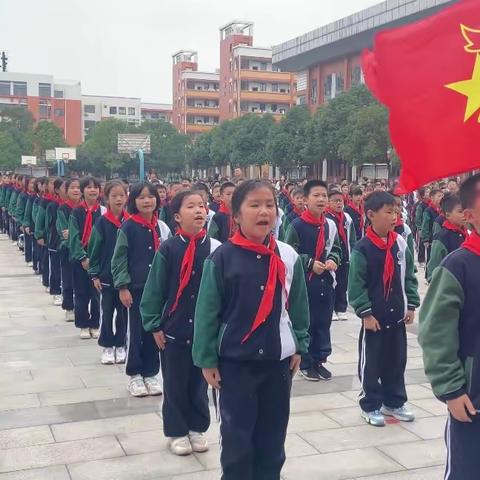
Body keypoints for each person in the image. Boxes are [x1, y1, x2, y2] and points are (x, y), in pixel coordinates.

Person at [192, 179, 309, 480]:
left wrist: (300, 344)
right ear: (237, 214)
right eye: (254, 205)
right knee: (237, 439)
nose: (264, 212)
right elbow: (207, 311)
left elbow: (297, 307)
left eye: (269, 204)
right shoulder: (222, 258)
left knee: (273, 438)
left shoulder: (288, 256)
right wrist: (206, 359)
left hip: (277, 362)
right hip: (235, 363)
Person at [141, 190, 221, 456]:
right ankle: (176, 431)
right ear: (177, 216)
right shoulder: (168, 249)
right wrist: (154, 325)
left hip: (203, 332)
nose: (199, 210)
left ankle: (196, 427)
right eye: (191, 206)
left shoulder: (216, 249)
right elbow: (155, 290)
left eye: (202, 205)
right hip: (174, 330)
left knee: (199, 384)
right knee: (175, 384)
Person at [419, 174, 480, 480]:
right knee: (468, 467)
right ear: (469, 216)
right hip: (473, 393)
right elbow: (435, 332)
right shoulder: (458, 265)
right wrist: (452, 389)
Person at [348, 191, 420, 427]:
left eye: (396, 212)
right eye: (388, 212)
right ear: (371, 214)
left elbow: (408, 275)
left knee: (396, 361)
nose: (394, 217)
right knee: (372, 364)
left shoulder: (399, 243)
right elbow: (356, 284)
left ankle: (394, 401)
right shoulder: (363, 248)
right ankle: (370, 404)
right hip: (374, 319)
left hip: (396, 316)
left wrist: (410, 304)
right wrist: (365, 313)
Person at [111, 181, 170, 397]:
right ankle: (134, 374)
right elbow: (119, 260)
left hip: (156, 291)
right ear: (133, 201)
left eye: (151, 196)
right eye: (142, 197)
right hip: (135, 289)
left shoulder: (161, 226)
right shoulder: (128, 227)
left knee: (153, 331)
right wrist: (123, 287)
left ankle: (151, 372)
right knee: (134, 332)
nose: (147, 201)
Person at [284, 180, 341, 381]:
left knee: (323, 322)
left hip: (325, 281)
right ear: (306, 200)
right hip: (305, 283)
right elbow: (289, 253)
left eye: (324, 196)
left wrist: (333, 259)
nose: (321, 199)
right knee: (307, 321)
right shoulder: (296, 225)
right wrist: (309, 263)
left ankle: (319, 360)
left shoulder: (330, 225)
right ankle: (306, 362)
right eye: (316, 195)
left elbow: (336, 247)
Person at [88, 180, 129, 365]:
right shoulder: (102, 223)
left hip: (126, 277)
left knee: (123, 313)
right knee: (107, 310)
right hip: (106, 276)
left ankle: (120, 344)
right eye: (114, 196)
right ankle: (106, 344)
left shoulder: (130, 222)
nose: (119, 199)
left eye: (122, 195)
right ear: (106, 198)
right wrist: (94, 274)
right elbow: (94, 250)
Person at [68, 176, 104, 339]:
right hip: (80, 259)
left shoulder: (103, 212)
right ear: (83, 191)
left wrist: (95, 259)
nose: (92, 190)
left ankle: (95, 323)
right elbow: (73, 236)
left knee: (96, 293)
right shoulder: (76, 211)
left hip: (97, 260)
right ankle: (82, 324)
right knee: (81, 293)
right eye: (89, 187)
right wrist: (82, 257)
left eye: (95, 187)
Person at [327, 190, 356, 321]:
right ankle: (331, 308)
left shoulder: (347, 218)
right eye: (335, 201)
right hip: (331, 256)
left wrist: (352, 251)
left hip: (345, 255)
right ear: (329, 202)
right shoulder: (326, 217)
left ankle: (341, 308)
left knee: (343, 283)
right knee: (331, 282)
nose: (339, 203)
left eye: (341, 201)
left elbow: (352, 238)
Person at [426, 193, 467, 282]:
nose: (464, 214)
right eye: (460, 211)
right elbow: (433, 270)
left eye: (465, 210)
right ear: (448, 215)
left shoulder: (468, 233)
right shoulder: (442, 237)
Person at [56, 178, 81, 322]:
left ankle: (80, 307)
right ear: (66, 191)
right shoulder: (63, 209)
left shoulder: (87, 208)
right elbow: (63, 231)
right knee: (68, 280)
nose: (76, 190)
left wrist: (73, 233)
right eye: (72, 187)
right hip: (68, 250)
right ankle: (69, 307)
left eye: (78, 187)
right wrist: (75, 235)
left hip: (84, 250)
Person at [45, 178, 65, 306]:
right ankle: (56, 292)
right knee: (55, 268)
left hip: (68, 245)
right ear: (57, 190)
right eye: (65, 188)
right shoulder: (52, 205)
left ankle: (67, 292)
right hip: (55, 241)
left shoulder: (74, 207)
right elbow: (47, 223)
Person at [421, 188, 444, 273]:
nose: (441, 197)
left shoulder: (441, 210)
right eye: (439, 196)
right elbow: (425, 225)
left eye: (442, 196)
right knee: (430, 258)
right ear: (432, 197)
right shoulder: (428, 210)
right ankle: (428, 274)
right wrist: (426, 239)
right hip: (431, 239)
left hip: (439, 238)